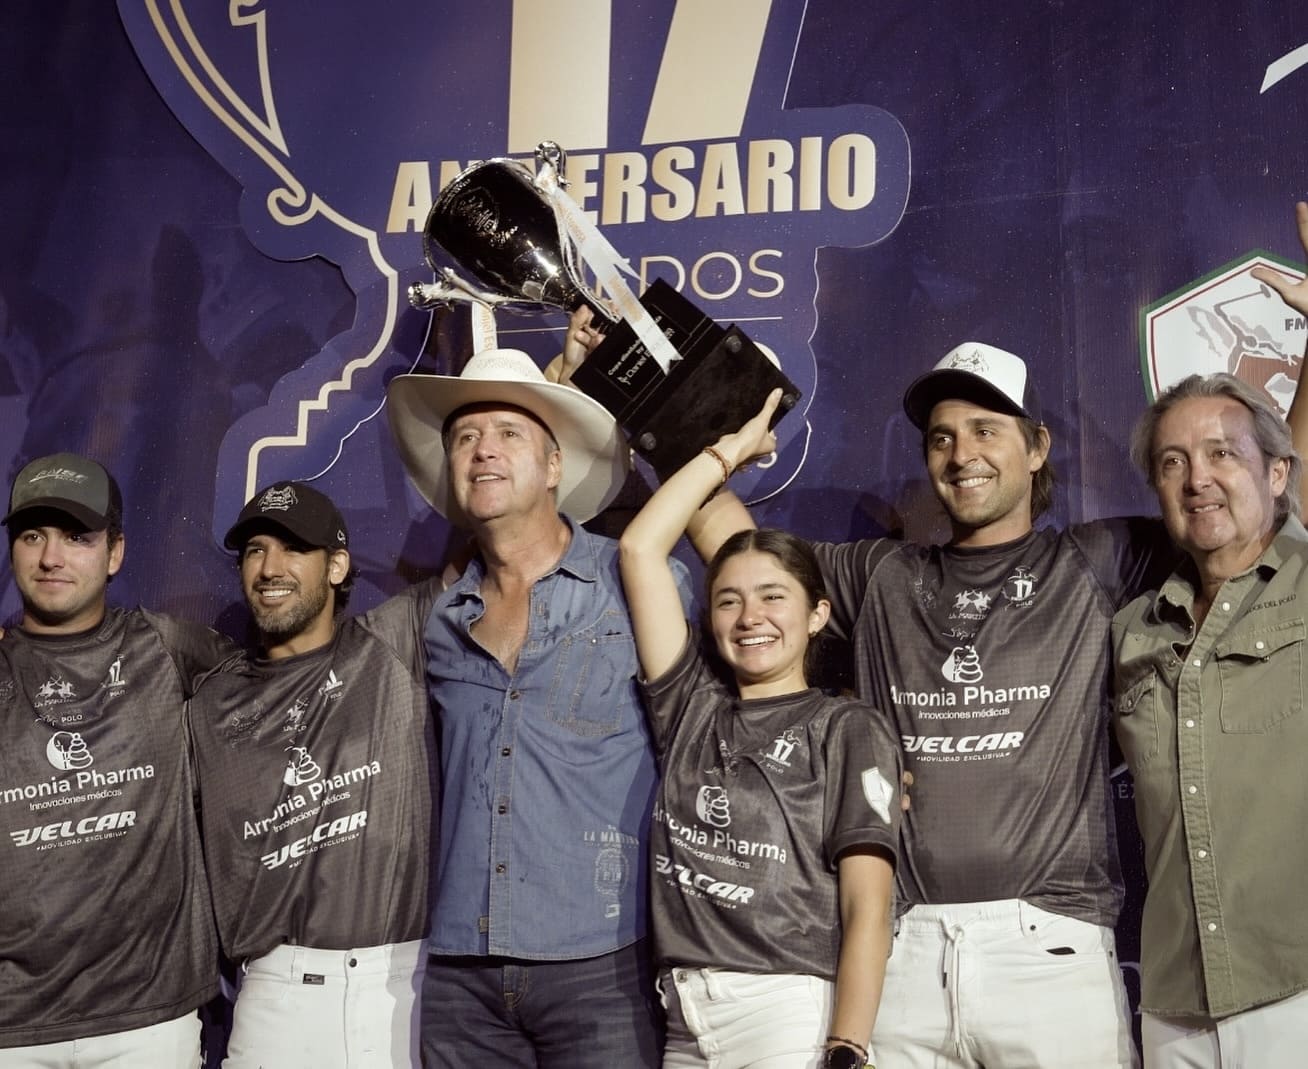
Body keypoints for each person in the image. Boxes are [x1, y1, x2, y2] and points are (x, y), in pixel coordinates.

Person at [690, 340, 1190, 1067]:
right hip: (905, 952)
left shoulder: (1093, 562)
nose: (962, 454)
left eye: (987, 429)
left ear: (1037, 447)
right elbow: (738, 554)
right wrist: (712, 444)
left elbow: (1251, 510)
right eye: (942, 438)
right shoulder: (883, 574)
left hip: (1050, 947)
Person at [386, 347, 690, 1067]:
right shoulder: (435, 620)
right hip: (462, 971)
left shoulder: (641, 580)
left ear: (555, 466)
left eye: (508, 432)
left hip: (604, 960)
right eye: (464, 437)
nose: (483, 448)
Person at [618, 390, 900, 1069]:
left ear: (815, 615)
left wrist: (847, 1047)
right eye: (728, 599)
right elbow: (639, 547)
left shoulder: (847, 726)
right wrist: (728, 454)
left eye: (774, 596)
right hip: (684, 1021)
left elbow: (870, 904)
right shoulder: (689, 700)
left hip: (786, 1018)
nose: (750, 616)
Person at [187, 480, 441, 1068]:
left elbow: (504, 542)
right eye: (254, 550)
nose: (269, 568)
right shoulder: (206, 701)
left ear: (336, 566)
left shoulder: (396, 643)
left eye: (293, 548)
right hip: (278, 995)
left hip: (405, 984)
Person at [0, 452, 233, 1066]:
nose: (51, 558)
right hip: (12, 1026)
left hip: (148, 1020)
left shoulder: (168, 648)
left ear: (116, 553)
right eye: (32, 536)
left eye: (77, 537)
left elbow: (291, 678)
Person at [1111, 371, 1308, 1067]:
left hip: (1297, 986)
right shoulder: (1132, 630)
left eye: (1223, 453)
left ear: (1277, 472)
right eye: (1173, 462)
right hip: (1176, 1008)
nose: (1198, 477)